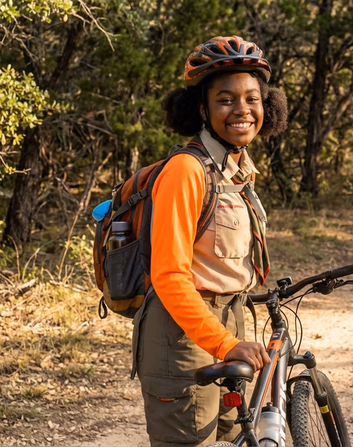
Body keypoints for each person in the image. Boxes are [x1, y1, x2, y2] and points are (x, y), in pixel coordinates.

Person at [132, 35, 288, 447]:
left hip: (230, 323)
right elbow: (168, 276)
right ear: (201, 108)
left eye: (252, 98)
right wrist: (226, 343)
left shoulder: (237, 169)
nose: (242, 110)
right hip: (181, 339)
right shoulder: (187, 171)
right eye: (226, 99)